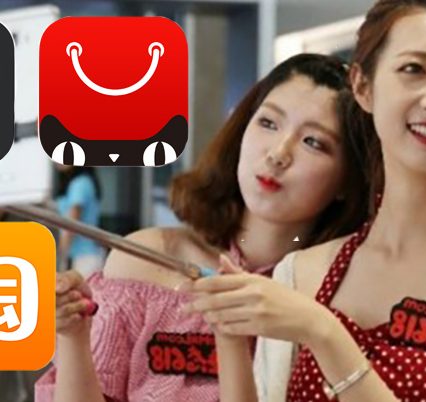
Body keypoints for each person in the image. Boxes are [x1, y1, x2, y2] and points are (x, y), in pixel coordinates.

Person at [184, 1, 426, 402]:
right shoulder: (299, 273)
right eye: (414, 69)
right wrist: (229, 334)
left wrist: (324, 332)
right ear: (363, 87)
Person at [35, 53, 372, 402]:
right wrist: (73, 335)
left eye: (313, 142)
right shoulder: (149, 259)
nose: (278, 154)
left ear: (348, 180)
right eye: (268, 123)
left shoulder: (339, 297)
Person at [54, 165, 104, 276]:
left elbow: (71, 223)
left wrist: (59, 255)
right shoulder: (77, 182)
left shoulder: (80, 183)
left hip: (85, 257)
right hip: (80, 255)